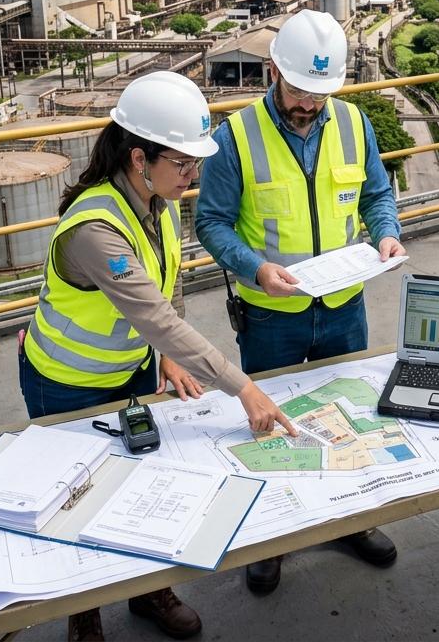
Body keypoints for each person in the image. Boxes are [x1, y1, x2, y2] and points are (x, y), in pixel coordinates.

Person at [21, 71, 296, 642]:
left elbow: (166, 284)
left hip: (130, 371)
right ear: (140, 157)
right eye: (185, 164)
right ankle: (86, 611)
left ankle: (146, 589)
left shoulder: (155, 201)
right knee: (81, 497)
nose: (193, 178)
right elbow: (156, 317)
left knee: (142, 480)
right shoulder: (98, 229)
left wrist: (167, 359)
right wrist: (243, 387)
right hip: (66, 381)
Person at [195, 8, 406, 596]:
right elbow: (210, 222)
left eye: (321, 93)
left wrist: (385, 230)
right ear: (273, 71)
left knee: (346, 415)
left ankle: (350, 519)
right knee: (270, 426)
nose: (310, 104)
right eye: (299, 90)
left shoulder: (354, 123)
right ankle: (275, 536)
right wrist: (253, 268)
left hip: (342, 306)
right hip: (271, 316)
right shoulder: (233, 137)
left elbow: (377, 193)